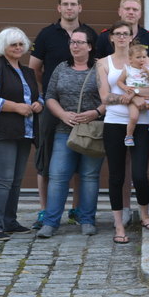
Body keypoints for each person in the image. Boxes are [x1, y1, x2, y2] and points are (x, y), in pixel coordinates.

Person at [29, 0, 97, 229]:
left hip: (88, 122)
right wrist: (48, 99)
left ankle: (80, 213)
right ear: (59, 8)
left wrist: (95, 112)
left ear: (80, 7)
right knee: (49, 163)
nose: (69, 8)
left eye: (73, 4)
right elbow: (35, 69)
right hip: (55, 112)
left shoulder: (91, 37)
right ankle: (46, 214)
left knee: (85, 170)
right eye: (65, 4)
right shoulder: (47, 35)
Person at [95, 0, 149, 220]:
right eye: (118, 34)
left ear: (132, 36)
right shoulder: (103, 63)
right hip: (115, 121)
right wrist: (131, 97)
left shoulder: (144, 60)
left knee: (139, 173)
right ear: (111, 37)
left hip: (142, 122)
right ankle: (122, 210)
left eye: (126, 34)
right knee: (117, 173)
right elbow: (105, 97)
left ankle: (144, 210)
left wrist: (134, 94)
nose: (122, 37)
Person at [36, 28, 105, 238]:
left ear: (90, 46)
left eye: (80, 42)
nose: (75, 46)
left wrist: (95, 113)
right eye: (72, 42)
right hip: (64, 130)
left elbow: (110, 99)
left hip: (92, 131)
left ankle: (87, 219)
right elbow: (49, 96)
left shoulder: (100, 68)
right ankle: (50, 222)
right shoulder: (61, 68)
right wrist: (63, 115)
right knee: (58, 176)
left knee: (89, 177)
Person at [0, 27, 43, 240]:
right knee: (3, 179)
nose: (17, 48)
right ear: (3, 47)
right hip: (2, 132)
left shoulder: (27, 72)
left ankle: (9, 221)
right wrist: (16, 107)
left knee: (16, 180)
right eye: (12, 44)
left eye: (20, 44)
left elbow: (37, 97)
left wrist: (38, 104)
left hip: (23, 132)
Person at [116, 44, 149, 146]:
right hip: (133, 97)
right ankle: (129, 136)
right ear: (130, 59)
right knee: (134, 117)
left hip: (147, 95)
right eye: (138, 57)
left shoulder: (148, 68)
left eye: (144, 57)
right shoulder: (127, 69)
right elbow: (119, 82)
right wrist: (125, 88)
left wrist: (148, 71)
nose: (142, 60)